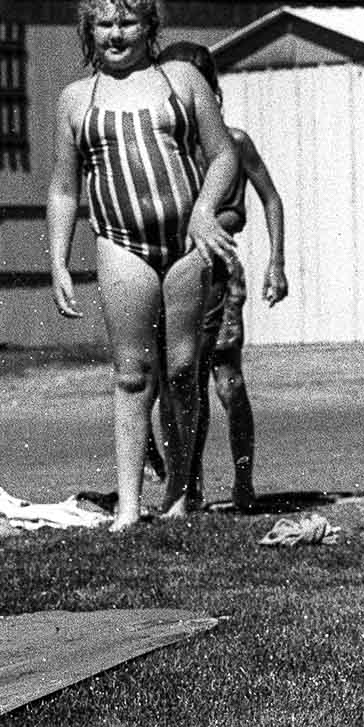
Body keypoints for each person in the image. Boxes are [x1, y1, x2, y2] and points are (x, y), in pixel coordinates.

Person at [47, 0, 238, 530]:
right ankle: (129, 505)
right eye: (104, 23)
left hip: (184, 244)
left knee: (182, 370)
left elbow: (223, 156)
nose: (115, 33)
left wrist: (204, 211)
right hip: (121, 244)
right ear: (88, 30)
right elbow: (64, 187)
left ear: (149, 25)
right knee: (133, 373)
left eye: (127, 21)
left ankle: (180, 491)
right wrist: (58, 260)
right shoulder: (77, 99)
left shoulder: (180, 80)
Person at [156, 40, 290, 511]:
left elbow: (270, 198)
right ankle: (187, 485)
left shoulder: (232, 142)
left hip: (219, 271)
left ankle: (243, 480)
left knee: (226, 379)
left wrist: (277, 264)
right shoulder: (168, 147)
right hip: (178, 268)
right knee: (178, 378)